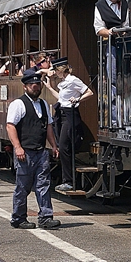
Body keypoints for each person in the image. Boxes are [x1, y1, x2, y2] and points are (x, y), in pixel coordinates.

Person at [5, 69, 61, 230]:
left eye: (37, 84)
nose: (35, 87)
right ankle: (18, 218)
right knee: (23, 186)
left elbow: (49, 126)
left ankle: (45, 217)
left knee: (43, 184)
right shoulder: (18, 104)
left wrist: (53, 145)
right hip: (25, 152)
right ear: (25, 87)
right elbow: (10, 126)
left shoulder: (43, 104)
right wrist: (18, 147)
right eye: (32, 84)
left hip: (40, 151)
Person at [48, 57, 92, 193]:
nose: (54, 73)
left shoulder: (73, 80)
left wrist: (78, 99)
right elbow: (61, 99)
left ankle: (69, 181)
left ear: (60, 69)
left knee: (64, 146)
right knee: (63, 146)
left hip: (70, 114)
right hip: (61, 113)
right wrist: (49, 87)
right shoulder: (63, 82)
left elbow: (89, 92)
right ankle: (68, 180)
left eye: (55, 70)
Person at [94, 0, 129, 125]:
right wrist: (110, 32)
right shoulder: (100, 6)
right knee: (113, 81)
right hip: (113, 45)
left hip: (130, 42)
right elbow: (98, 29)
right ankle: (115, 120)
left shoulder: (127, 2)